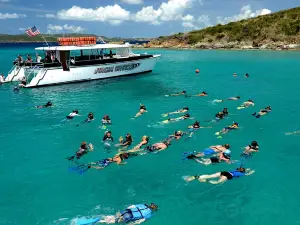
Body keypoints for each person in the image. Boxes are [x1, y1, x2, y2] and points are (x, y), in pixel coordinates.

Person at [184, 167, 255, 184]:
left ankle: (197, 177)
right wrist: (251, 171)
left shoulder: (236, 170)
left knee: (210, 175)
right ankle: (205, 181)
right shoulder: (242, 174)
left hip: (224, 172)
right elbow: (247, 174)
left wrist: (247, 169)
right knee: (217, 182)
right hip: (228, 176)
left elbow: (243, 170)